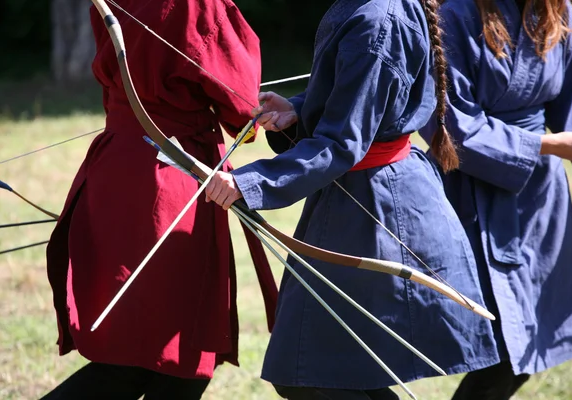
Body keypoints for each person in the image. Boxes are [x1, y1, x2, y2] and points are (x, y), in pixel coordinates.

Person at [205, 0, 500, 398]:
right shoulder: (365, 9)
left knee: (314, 373)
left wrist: (252, 181)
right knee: (327, 372)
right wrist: (298, 108)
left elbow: (345, 140)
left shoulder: (378, 19)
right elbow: (356, 97)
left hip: (379, 208)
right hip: (354, 198)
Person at [41, 1, 277, 399]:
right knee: (172, 354)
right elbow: (239, 101)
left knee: (147, 351)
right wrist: (250, 116)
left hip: (116, 168)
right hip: (168, 181)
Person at [419, 1, 572, 399]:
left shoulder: (556, 13)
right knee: (499, 340)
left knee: (531, 340)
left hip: (539, 204)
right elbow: (449, 126)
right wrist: (542, 144)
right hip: (468, 194)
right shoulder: (455, 15)